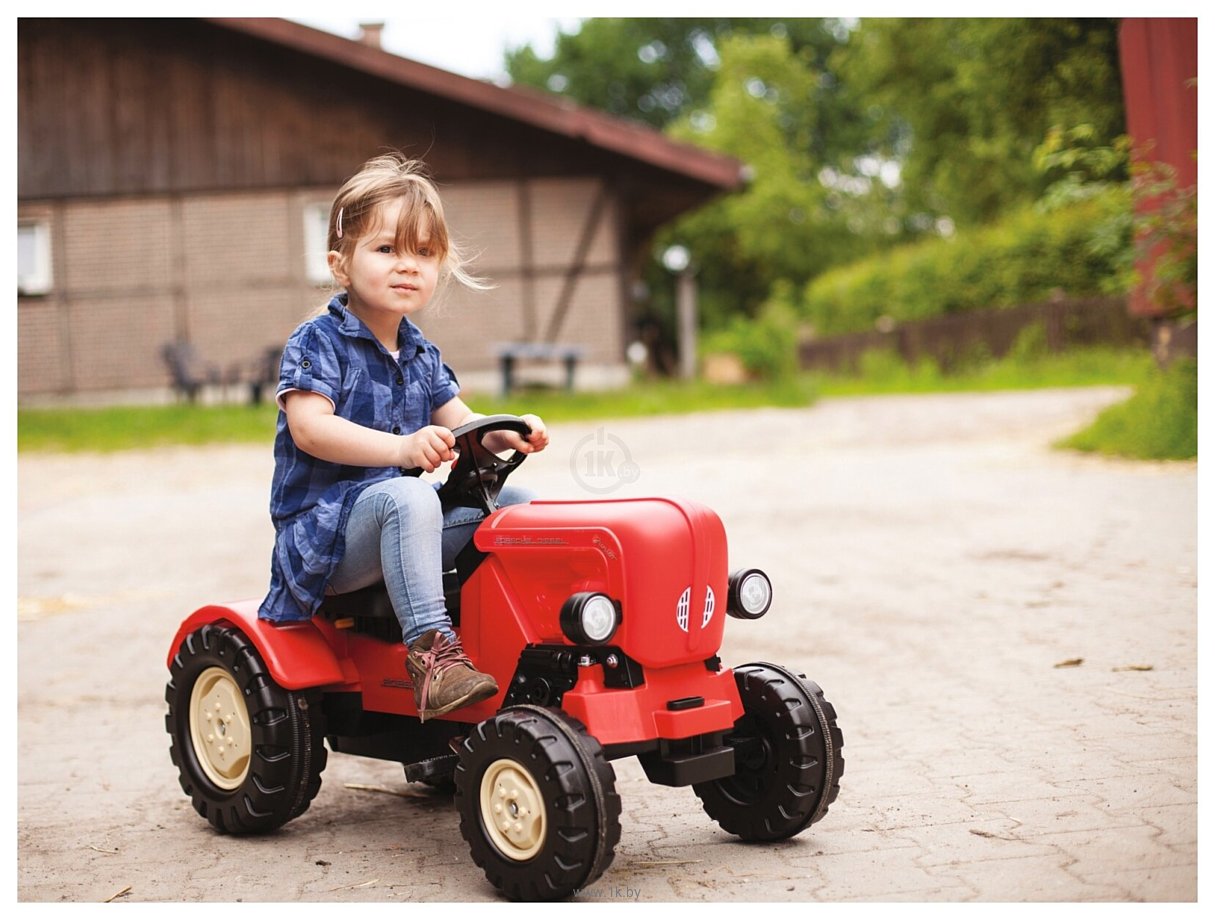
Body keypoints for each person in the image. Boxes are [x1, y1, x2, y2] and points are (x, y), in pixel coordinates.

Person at [258, 153, 548, 720]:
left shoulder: (419, 352)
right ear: (341, 265)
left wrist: (509, 433)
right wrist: (401, 449)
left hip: (398, 524)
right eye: (387, 249)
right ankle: (432, 658)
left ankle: (524, 640)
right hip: (326, 541)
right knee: (410, 493)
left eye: (423, 253)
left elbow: (463, 426)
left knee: (517, 508)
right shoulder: (318, 341)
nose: (407, 265)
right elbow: (310, 430)